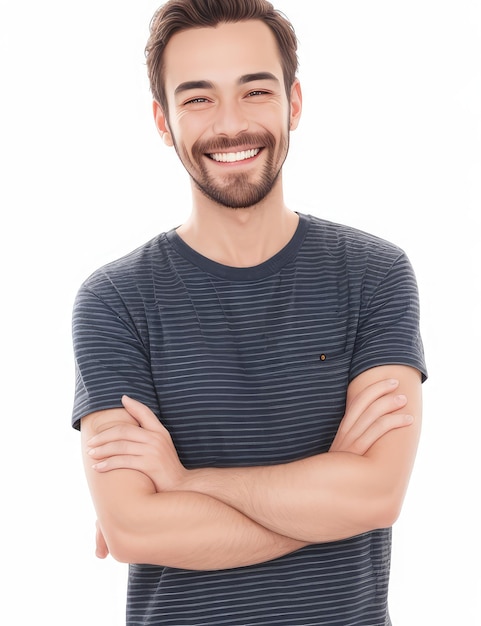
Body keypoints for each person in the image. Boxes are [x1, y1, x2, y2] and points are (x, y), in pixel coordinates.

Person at [72, 0, 427, 624]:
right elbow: (132, 530)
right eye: (198, 98)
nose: (230, 125)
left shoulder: (375, 274)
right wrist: (328, 490)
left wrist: (185, 484)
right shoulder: (114, 300)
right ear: (163, 120)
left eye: (254, 90)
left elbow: (376, 494)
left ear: (293, 102)